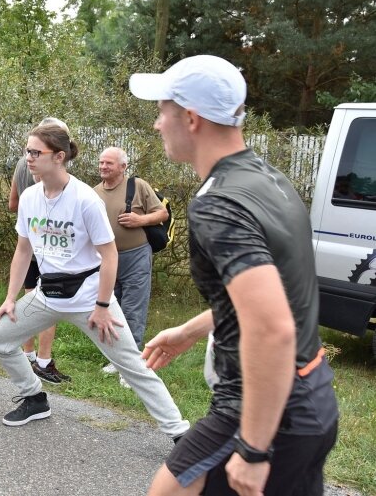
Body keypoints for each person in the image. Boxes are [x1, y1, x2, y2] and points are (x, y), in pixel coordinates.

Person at [130, 55, 338, 495]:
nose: (156, 124)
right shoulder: (269, 179)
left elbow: (273, 327)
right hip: (312, 397)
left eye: (161, 111)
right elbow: (282, 292)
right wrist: (193, 328)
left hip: (268, 409)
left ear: (190, 117)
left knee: (168, 490)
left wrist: (255, 448)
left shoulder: (219, 204)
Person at [0, 124, 189, 441]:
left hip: (89, 300)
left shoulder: (84, 199)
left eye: (36, 152)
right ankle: (35, 398)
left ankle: (179, 432)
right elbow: (23, 250)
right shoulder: (29, 198)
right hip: (46, 295)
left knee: (131, 365)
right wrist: (11, 298)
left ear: (59, 157)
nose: (29, 158)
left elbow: (109, 256)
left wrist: (103, 305)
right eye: (27, 152)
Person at [94, 147, 168, 386]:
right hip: (107, 260)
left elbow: (162, 214)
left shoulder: (138, 186)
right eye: (101, 163)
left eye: (109, 163)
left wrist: (140, 220)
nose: (104, 167)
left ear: (123, 167)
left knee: (133, 310)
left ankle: (133, 367)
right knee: (112, 310)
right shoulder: (93, 192)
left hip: (136, 256)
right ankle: (116, 360)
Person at [9, 117, 71, 384]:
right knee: (48, 304)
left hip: (29, 241)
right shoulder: (53, 169)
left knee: (29, 302)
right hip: (48, 246)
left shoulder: (21, 164)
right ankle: (44, 361)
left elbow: (13, 202)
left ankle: (28, 354)